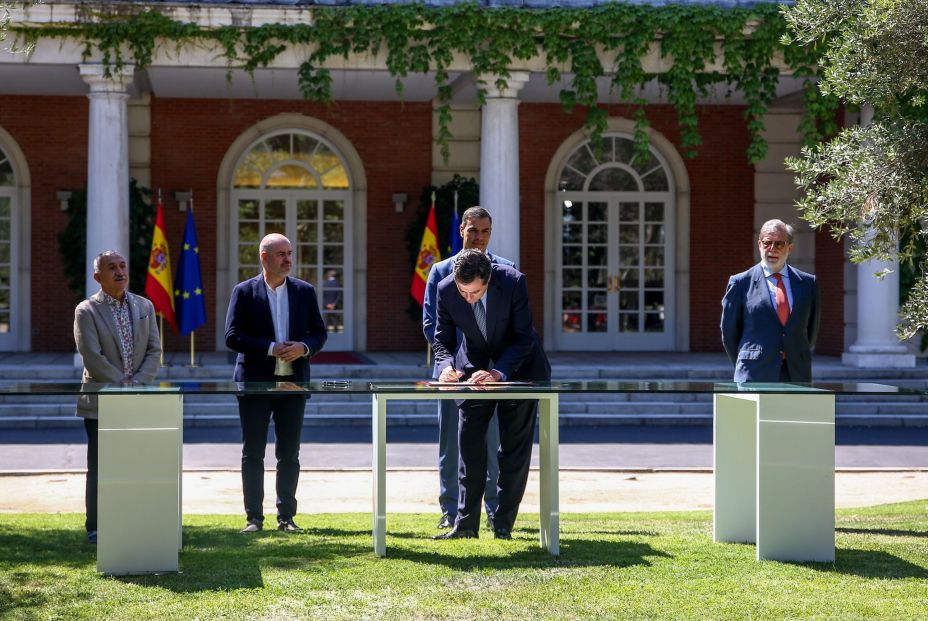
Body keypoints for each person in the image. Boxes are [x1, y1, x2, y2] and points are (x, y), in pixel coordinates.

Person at [431, 249, 551, 540]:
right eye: (463, 292)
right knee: (469, 446)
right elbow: (442, 340)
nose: (468, 298)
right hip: (473, 369)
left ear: (488, 280)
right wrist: (446, 367)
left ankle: (503, 524)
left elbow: (524, 338)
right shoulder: (446, 289)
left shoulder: (513, 282)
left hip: (520, 369)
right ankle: (465, 526)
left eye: (474, 293)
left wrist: (498, 373)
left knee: (513, 450)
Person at [225, 233, 327, 533]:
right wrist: (271, 348)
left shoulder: (304, 291)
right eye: (281, 254)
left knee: (289, 454)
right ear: (264, 257)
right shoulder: (244, 292)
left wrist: (304, 347)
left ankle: (286, 518)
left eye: (290, 253)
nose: (288, 259)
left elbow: (319, 333)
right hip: (255, 385)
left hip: (293, 384)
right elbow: (232, 336)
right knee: (253, 454)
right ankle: (254, 519)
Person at [422, 206, 514, 531]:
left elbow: (511, 326)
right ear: (462, 229)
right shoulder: (440, 271)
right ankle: (451, 511)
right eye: (473, 230)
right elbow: (432, 325)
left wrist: (493, 369)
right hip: (452, 374)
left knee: (492, 443)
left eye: (485, 231)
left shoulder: (506, 270)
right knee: (451, 445)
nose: (479, 237)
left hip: (490, 375)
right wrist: (453, 364)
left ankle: (492, 510)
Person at [73, 250, 162, 545]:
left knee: (134, 465)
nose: (120, 271)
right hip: (101, 402)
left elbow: (155, 351)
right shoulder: (86, 311)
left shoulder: (144, 306)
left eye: (122, 266)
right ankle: (96, 527)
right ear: (98, 277)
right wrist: (122, 385)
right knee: (100, 467)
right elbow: (92, 356)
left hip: (138, 398)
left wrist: (137, 383)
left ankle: (130, 519)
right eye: (112, 267)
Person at [721, 219, 821, 382]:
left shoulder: (808, 283)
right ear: (759, 245)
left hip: (796, 372)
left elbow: (811, 330)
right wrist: (747, 361)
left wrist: (794, 351)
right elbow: (729, 333)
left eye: (779, 244)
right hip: (755, 374)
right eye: (767, 243)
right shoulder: (740, 283)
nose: (772, 249)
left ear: (790, 248)